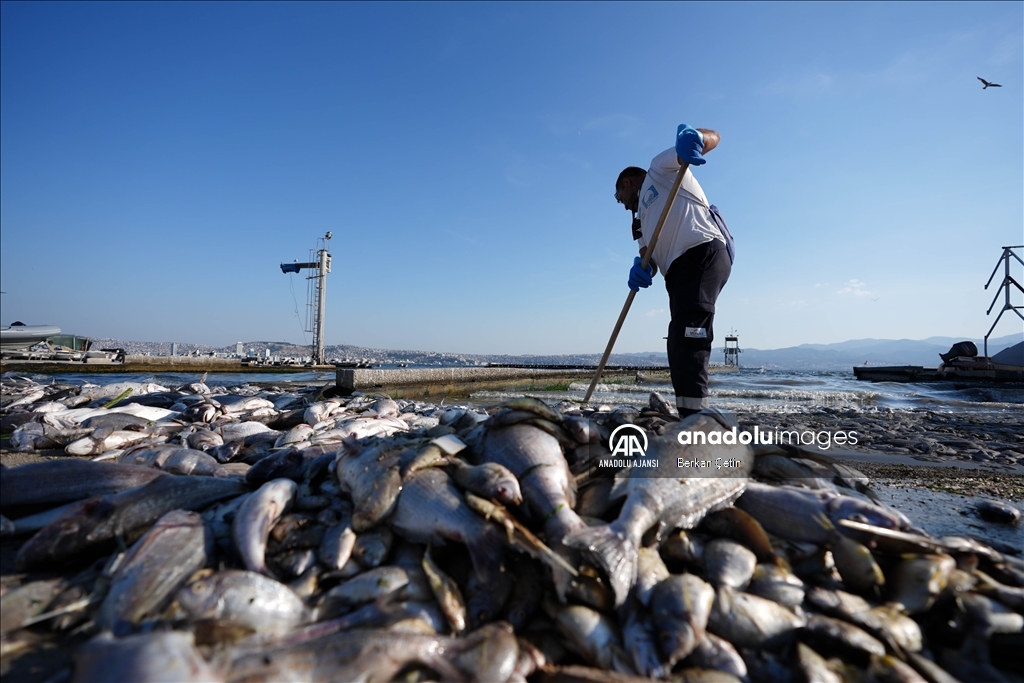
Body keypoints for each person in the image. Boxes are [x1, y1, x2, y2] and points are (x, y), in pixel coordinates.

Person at [614, 124, 731, 417]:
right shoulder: (639, 221)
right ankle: (689, 416)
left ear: (627, 182)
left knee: (690, 337)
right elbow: (648, 259)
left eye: (619, 196)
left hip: (702, 252)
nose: (620, 203)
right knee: (679, 341)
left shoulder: (658, 171)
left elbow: (713, 138)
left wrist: (698, 139)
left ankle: (697, 424)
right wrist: (642, 269)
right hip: (678, 274)